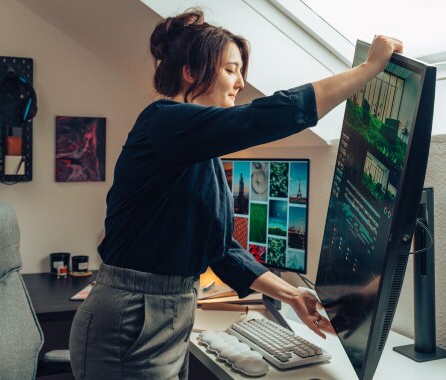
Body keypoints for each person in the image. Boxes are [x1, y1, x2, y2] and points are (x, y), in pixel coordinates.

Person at [69, 7, 402, 380]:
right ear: (191, 72)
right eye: (231, 69)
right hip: (132, 319)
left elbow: (221, 248)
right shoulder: (162, 121)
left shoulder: (198, 152)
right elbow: (257, 119)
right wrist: (367, 70)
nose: (241, 82)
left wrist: (292, 294)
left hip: (169, 312)